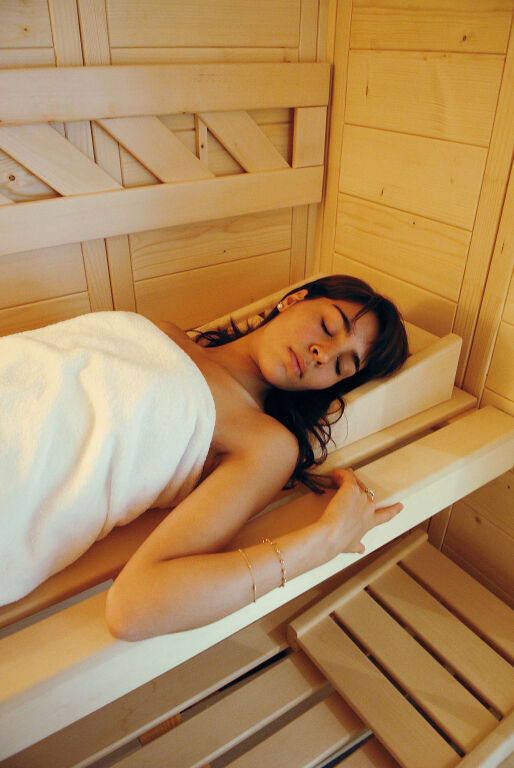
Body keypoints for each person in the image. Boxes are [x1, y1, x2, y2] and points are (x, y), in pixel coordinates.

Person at [0, 275, 408, 637]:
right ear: (293, 299)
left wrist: (325, 541)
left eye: (341, 365)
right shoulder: (165, 333)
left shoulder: (264, 441)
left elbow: (133, 608)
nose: (323, 354)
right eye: (328, 326)